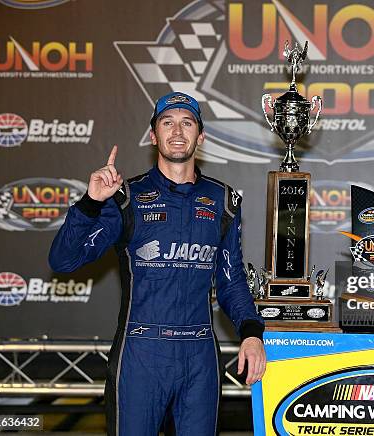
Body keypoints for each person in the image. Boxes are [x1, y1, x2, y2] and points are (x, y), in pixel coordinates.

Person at [48, 91, 266, 436]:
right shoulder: (126, 197)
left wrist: (252, 333)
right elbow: (63, 261)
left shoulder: (223, 200)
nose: (177, 131)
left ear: (201, 136)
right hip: (141, 354)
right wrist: (90, 202)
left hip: (199, 356)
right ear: (153, 136)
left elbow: (231, 280)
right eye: (167, 123)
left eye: (187, 123)